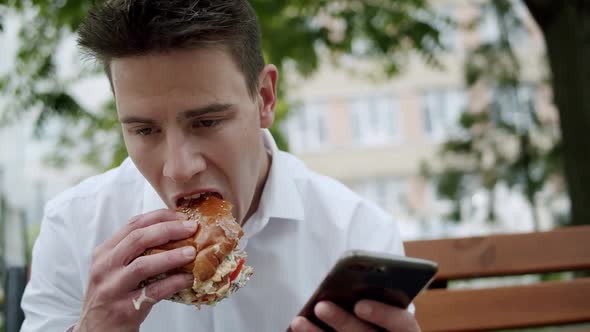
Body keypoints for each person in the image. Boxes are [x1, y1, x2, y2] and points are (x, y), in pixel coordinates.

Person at [20, 1, 421, 331]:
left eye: (207, 122)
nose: (179, 168)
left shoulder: (356, 232)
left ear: (264, 98)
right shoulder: (73, 226)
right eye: (144, 130)